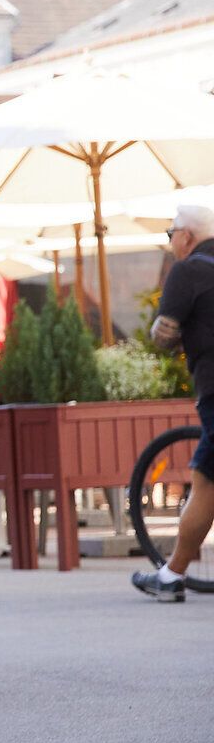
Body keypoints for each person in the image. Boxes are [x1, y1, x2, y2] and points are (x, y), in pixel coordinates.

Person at [136, 203, 214, 600]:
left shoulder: (188, 270)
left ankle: (171, 578)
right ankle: (173, 574)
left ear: (186, 236)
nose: (170, 245)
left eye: (170, 236)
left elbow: (163, 335)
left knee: (204, 480)